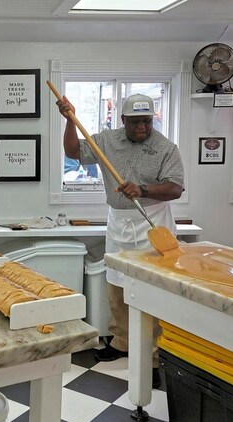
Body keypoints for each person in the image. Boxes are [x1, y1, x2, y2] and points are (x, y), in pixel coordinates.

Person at [56, 93, 184, 390]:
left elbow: (175, 188)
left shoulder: (166, 148)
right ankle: (123, 342)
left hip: (152, 220)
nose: (142, 127)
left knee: (151, 290)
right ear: (123, 120)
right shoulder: (106, 141)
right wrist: (69, 121)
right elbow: (74, 151)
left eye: (147, 121)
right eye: (136, 121)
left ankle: (152, 357)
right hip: (118, 221)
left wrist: (142, 189)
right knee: (117, 285)